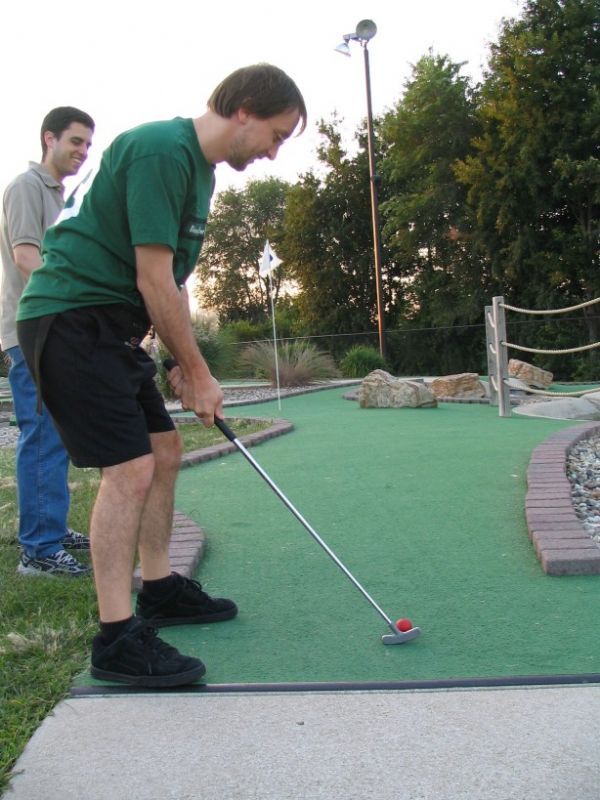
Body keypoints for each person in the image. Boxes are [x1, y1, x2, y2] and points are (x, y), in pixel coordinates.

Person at [17, 64, 307, 688]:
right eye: (276, 135)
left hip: (111, 324)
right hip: (69, 316)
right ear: (246, 108)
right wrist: (201, 373)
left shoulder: (198, 174)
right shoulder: (158, 149)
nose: (273, 152)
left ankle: (159, 589)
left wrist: (181, 357)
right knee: (130, 469)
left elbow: (170, 282)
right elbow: (152, 274)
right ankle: (117, 640)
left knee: (165, 449)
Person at [0, 106, 95, 578]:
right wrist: (73, 305)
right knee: (41, 435)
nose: (82, 152)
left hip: (53, 329)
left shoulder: (63, 196)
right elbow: (25, 258)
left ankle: (50, 529)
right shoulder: (25, 188)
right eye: (75, 141)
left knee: (55, 434)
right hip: (31, 330)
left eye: (87, 145)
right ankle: (37, 550)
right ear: (49, 139)